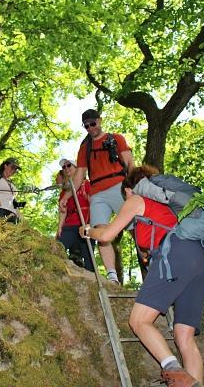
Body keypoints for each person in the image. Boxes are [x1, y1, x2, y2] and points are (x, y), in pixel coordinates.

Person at [79, 165, 204, 387]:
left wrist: (89, 231)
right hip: (202, 257)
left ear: (130, 189)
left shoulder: (137, 200)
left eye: (125, 195)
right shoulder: (171, 204)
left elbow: (107, 235)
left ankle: (175, 373)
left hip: (176, 254)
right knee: (184, 336)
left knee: (139, 321)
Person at [59, 109, 134, 284]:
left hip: (120, 186)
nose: (90, 128)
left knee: (135, 228)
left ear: (100, 121)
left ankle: (150, 263)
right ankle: (112, 276)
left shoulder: (117, 138)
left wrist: (133, 186)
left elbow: (130, 162)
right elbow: (79, 176)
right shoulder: (84, 149)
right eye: (86, 126)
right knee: (100, 231)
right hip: (97, 193)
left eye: (93, 123)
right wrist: (67, 196)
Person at [56, 159, 95, 272]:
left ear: (77, 169)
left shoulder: (86, 184)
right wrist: (60, 227)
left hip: (85, 223)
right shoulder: (65, 191)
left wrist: (91, 223)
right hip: (70, 225)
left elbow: (93, 203)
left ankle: (94, 282)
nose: (66, 168)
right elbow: (64, 210)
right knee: (58, 247)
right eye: (64, 167)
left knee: (89, 258)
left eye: (69, 165)